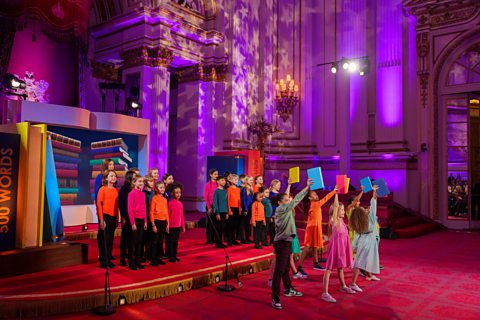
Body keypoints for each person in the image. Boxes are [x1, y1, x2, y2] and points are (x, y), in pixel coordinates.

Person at [270, 179, 312, 310]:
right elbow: (294, 201)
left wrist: (288, 187)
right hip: (282, 243)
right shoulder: (282, 209)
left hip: (286, 242)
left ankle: (288, 288)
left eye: (288, 199)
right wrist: (306, 187)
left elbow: (288, 199)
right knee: (279, 271)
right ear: (280, 202)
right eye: (286, 200)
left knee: (285, 268)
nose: (289, 200)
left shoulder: (284, 207)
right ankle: (275, 297)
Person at [321, 192, 356, 303]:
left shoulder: (341, 221)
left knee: (340, 267)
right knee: (329, 269)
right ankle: (325, 293)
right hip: (335, 248)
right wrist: (336, 194)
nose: (343, 211)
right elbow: (335, 206)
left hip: (341, 248)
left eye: (343, 210)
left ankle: (343, 286)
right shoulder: (334, 220)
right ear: (335, 211)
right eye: (342, 210)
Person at [297, 187, 337, 273]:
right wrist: (334, 191)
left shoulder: (313, 204)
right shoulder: (315, 204)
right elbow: (325, 199)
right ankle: (299, 266)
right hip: (312, 228)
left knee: (314, 246)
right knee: (307, 247)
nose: (316, 195)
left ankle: (316, 263)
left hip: (315, 227)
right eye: (314, 194)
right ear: (310, 198)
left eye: (316, 193)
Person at [349, 186, 381, 290]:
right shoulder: (369, 219)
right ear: (363, 214)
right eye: (364, 210)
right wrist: (374, 192)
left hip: (366, 241)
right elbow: (374, 204)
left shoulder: (361, 221)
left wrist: (354, 246)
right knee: (359, 262)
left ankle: (369, 275)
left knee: (366, 260)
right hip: (366, 242)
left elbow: (374, 203)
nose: (366, 209)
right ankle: (353, 283)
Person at [96, 170, 119, 268]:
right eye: (111, 176)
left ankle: (108, 259)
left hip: (113, 217)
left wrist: (117, 218)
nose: (113, 177)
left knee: (110, 240)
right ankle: (103, 261)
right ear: (106, 178)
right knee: (103, 239)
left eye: (115, 176)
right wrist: (101, 219)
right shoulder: (102, 189)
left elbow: (116, 206)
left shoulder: (115, 190)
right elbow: (99, 204)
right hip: (105, 216)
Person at [127, 175, 147, 270]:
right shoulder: (131, 194)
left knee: (140, 242)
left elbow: (144, 209)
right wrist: (132, 223)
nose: (141, 183)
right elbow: (130, 209)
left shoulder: (143, 194)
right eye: (139, 181)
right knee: (133, 242)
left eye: (142, 182)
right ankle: (131, 262)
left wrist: (145, 221)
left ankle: (137, 261)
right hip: (135, 220)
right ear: (134, 182)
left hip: (142, 220)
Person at [118, 169, 136, 266]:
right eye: (133, 178)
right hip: (126, 216)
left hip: (134, 216)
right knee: (125, 238)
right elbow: (121, 204)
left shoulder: (135, 189)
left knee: (132, 238)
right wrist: (123, 217)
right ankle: (122, 258)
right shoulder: (123, 190)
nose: (135, 179)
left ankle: (131, 257)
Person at [149, 181, 169, 266]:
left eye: (163, 187)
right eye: (160, 187)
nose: (162, 189)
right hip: (156, 221)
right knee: (155, 241)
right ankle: (153, 260)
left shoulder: (164, 199)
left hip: (163, 221)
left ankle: (158, 258)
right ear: (156, 189)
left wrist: (168, 223)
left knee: (160, 241)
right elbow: (151, 212)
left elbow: (166, 212)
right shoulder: (154, 198)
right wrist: (153, 224)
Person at [168, 184, 185, 262]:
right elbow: (167, 215)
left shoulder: (180, 204)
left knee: (176, 242)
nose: (178, 194)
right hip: (171, 226)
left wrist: (183, 226)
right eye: (176, 192)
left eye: (180, 192)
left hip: (177, 226)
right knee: (171, 242)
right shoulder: (169, 203)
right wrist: (167, 226)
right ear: (172, 193)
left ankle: (174, 255)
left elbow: (181, 215)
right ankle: (171, 257)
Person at [142, 175, 155, 262]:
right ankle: (142, 254)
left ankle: (149, 254)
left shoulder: (154, 192)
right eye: (150, 181)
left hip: (152, 217)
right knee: (144, 237)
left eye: (153, 181)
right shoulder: (143, 193)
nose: (152, 183)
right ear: (146, 183)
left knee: (151, 237)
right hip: (145, 216)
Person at [213, 176, 229, 248]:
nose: (224, 182)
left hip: (224, 211)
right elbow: (215, 202)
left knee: (222, 227)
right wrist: (217, 213)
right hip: (219, 212)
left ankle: (221, 242)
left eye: (224, 180)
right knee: (218, 227)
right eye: (222, 180)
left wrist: (227, 212)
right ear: (218, 181)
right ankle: (218, 242)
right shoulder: (216, 191)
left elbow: (226, 202)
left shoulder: (225, 191)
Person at [204, 169, 218, 245]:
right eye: (215, 174)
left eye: (217, 174)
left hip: (216, 206)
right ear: (210, 175)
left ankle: (214, 238)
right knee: (210, 223)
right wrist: (209, 207)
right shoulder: (208, 184)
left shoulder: (217, 184)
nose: (216, 176)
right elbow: (206, 196)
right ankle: (209, 239)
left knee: (215, 223)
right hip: (210, 205)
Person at [227, 174, 241, 246]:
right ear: (231, 180)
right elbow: (228, 200)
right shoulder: (229, 189)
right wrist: (229, 210)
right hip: (231, 208)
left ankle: (234, 239)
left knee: (235, 225)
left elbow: (239, 200)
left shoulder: (238, 189)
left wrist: (239, 208)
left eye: (237, 179)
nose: (236, 181)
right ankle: (229, 240)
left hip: (237, 208)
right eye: (235, 179)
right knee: (230, 225)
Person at [241, 175, 254, 243]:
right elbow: (244, 200)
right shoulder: (245, 189)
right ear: (246, 181)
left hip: (250, 207)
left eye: (252, 180)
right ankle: (243, 239)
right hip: (246, 208)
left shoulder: (251, 188)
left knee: (248, 223)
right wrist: (245, 209)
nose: (252, 181)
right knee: (244, 224)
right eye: (250, 180)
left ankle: (247, 237)